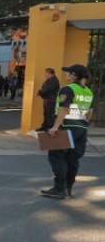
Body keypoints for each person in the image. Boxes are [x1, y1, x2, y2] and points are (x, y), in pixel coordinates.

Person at [41, 64, 94, 199]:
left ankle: (59, 188)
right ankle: (68, 187)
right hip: (81, 129)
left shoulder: (68, 89)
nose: (67, 74)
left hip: (66, 126)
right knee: (72, 158)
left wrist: (55, 127)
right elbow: (90, 112)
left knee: (56, 155)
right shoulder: (88, 91)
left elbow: (64, 108)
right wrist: (83, 124)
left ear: (73, 75)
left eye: (69, 72)